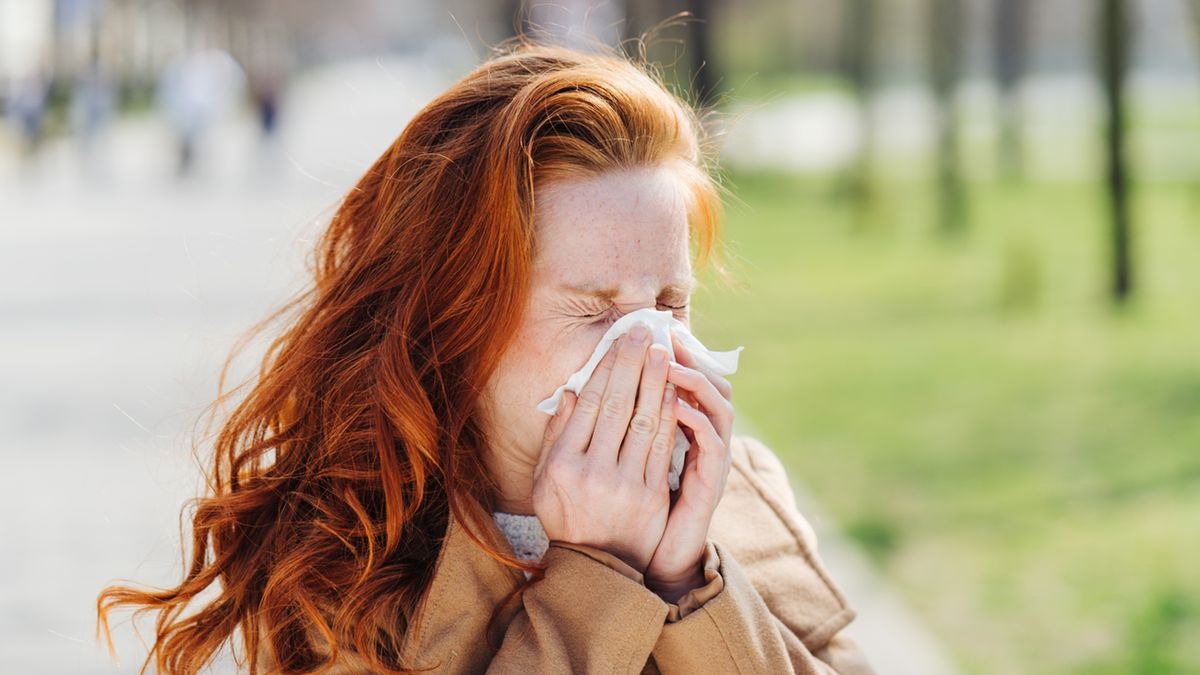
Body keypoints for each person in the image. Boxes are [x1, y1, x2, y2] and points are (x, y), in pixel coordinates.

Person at [96, 39, 875, 674]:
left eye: (672, 302)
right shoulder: (345, 564)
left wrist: (683, 582)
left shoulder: (740, 493)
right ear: (457, 322)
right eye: (594, 309)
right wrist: (599, 574)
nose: (652, 348)